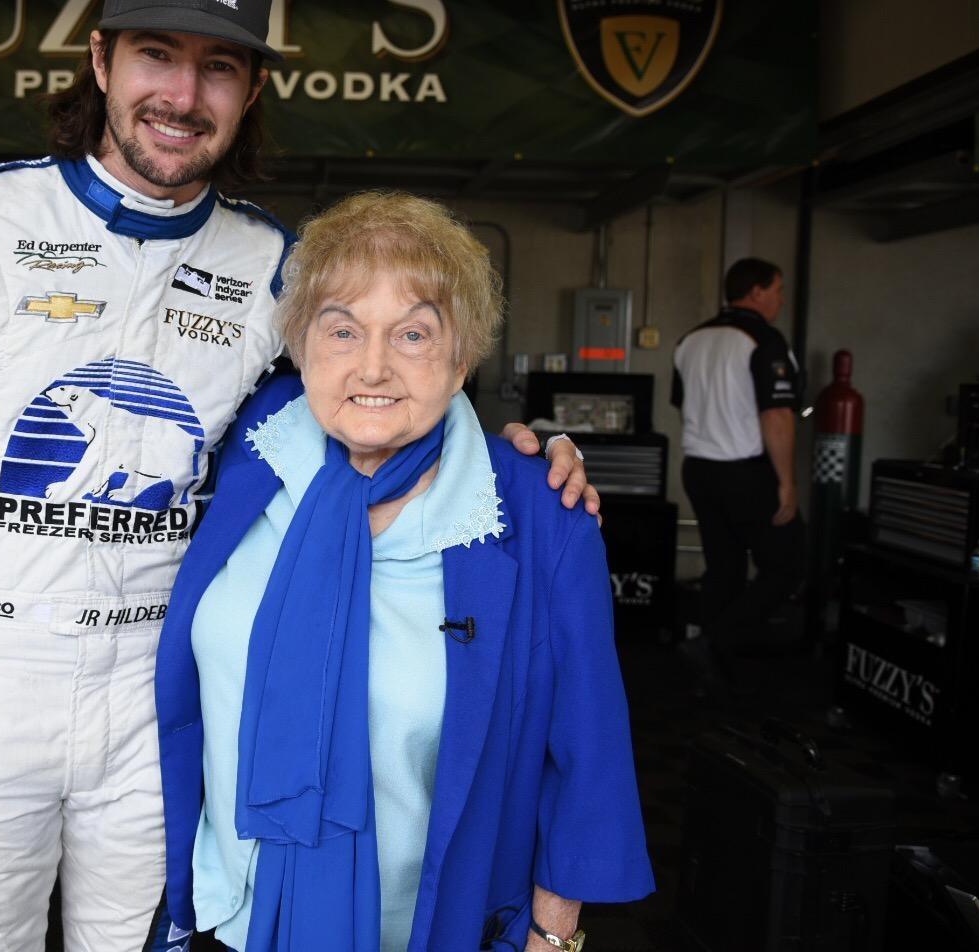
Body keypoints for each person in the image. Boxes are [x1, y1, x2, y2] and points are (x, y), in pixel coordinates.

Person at [0, 0, 597, 952]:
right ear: (100, 59)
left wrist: (510, 455)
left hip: (161, 689)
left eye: (218, 66)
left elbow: (367, 409)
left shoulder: (279, 266)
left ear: (252, 88)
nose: (182, 96)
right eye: (155, 56)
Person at [155, 192, 652, 952]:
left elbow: (589, 754)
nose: (373, 365)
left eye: (414, 333)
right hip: (232, 915)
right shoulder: (255, 450)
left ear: (461, 359)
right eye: (343, 329)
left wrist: (552, 941)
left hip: (430, 929)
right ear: (300, 346)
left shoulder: (536, 510)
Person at [671, 257, 805, 693]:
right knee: (787, 566)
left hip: (699, 470)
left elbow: (683, 402)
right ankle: (714, 645)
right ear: (757, 292)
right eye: (778, 289)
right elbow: (778, 417)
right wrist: (786, 482)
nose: (781, 299)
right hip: (745, 472)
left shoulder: (691, 339)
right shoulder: (764, 340)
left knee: (724, 570)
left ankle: (711, 673)